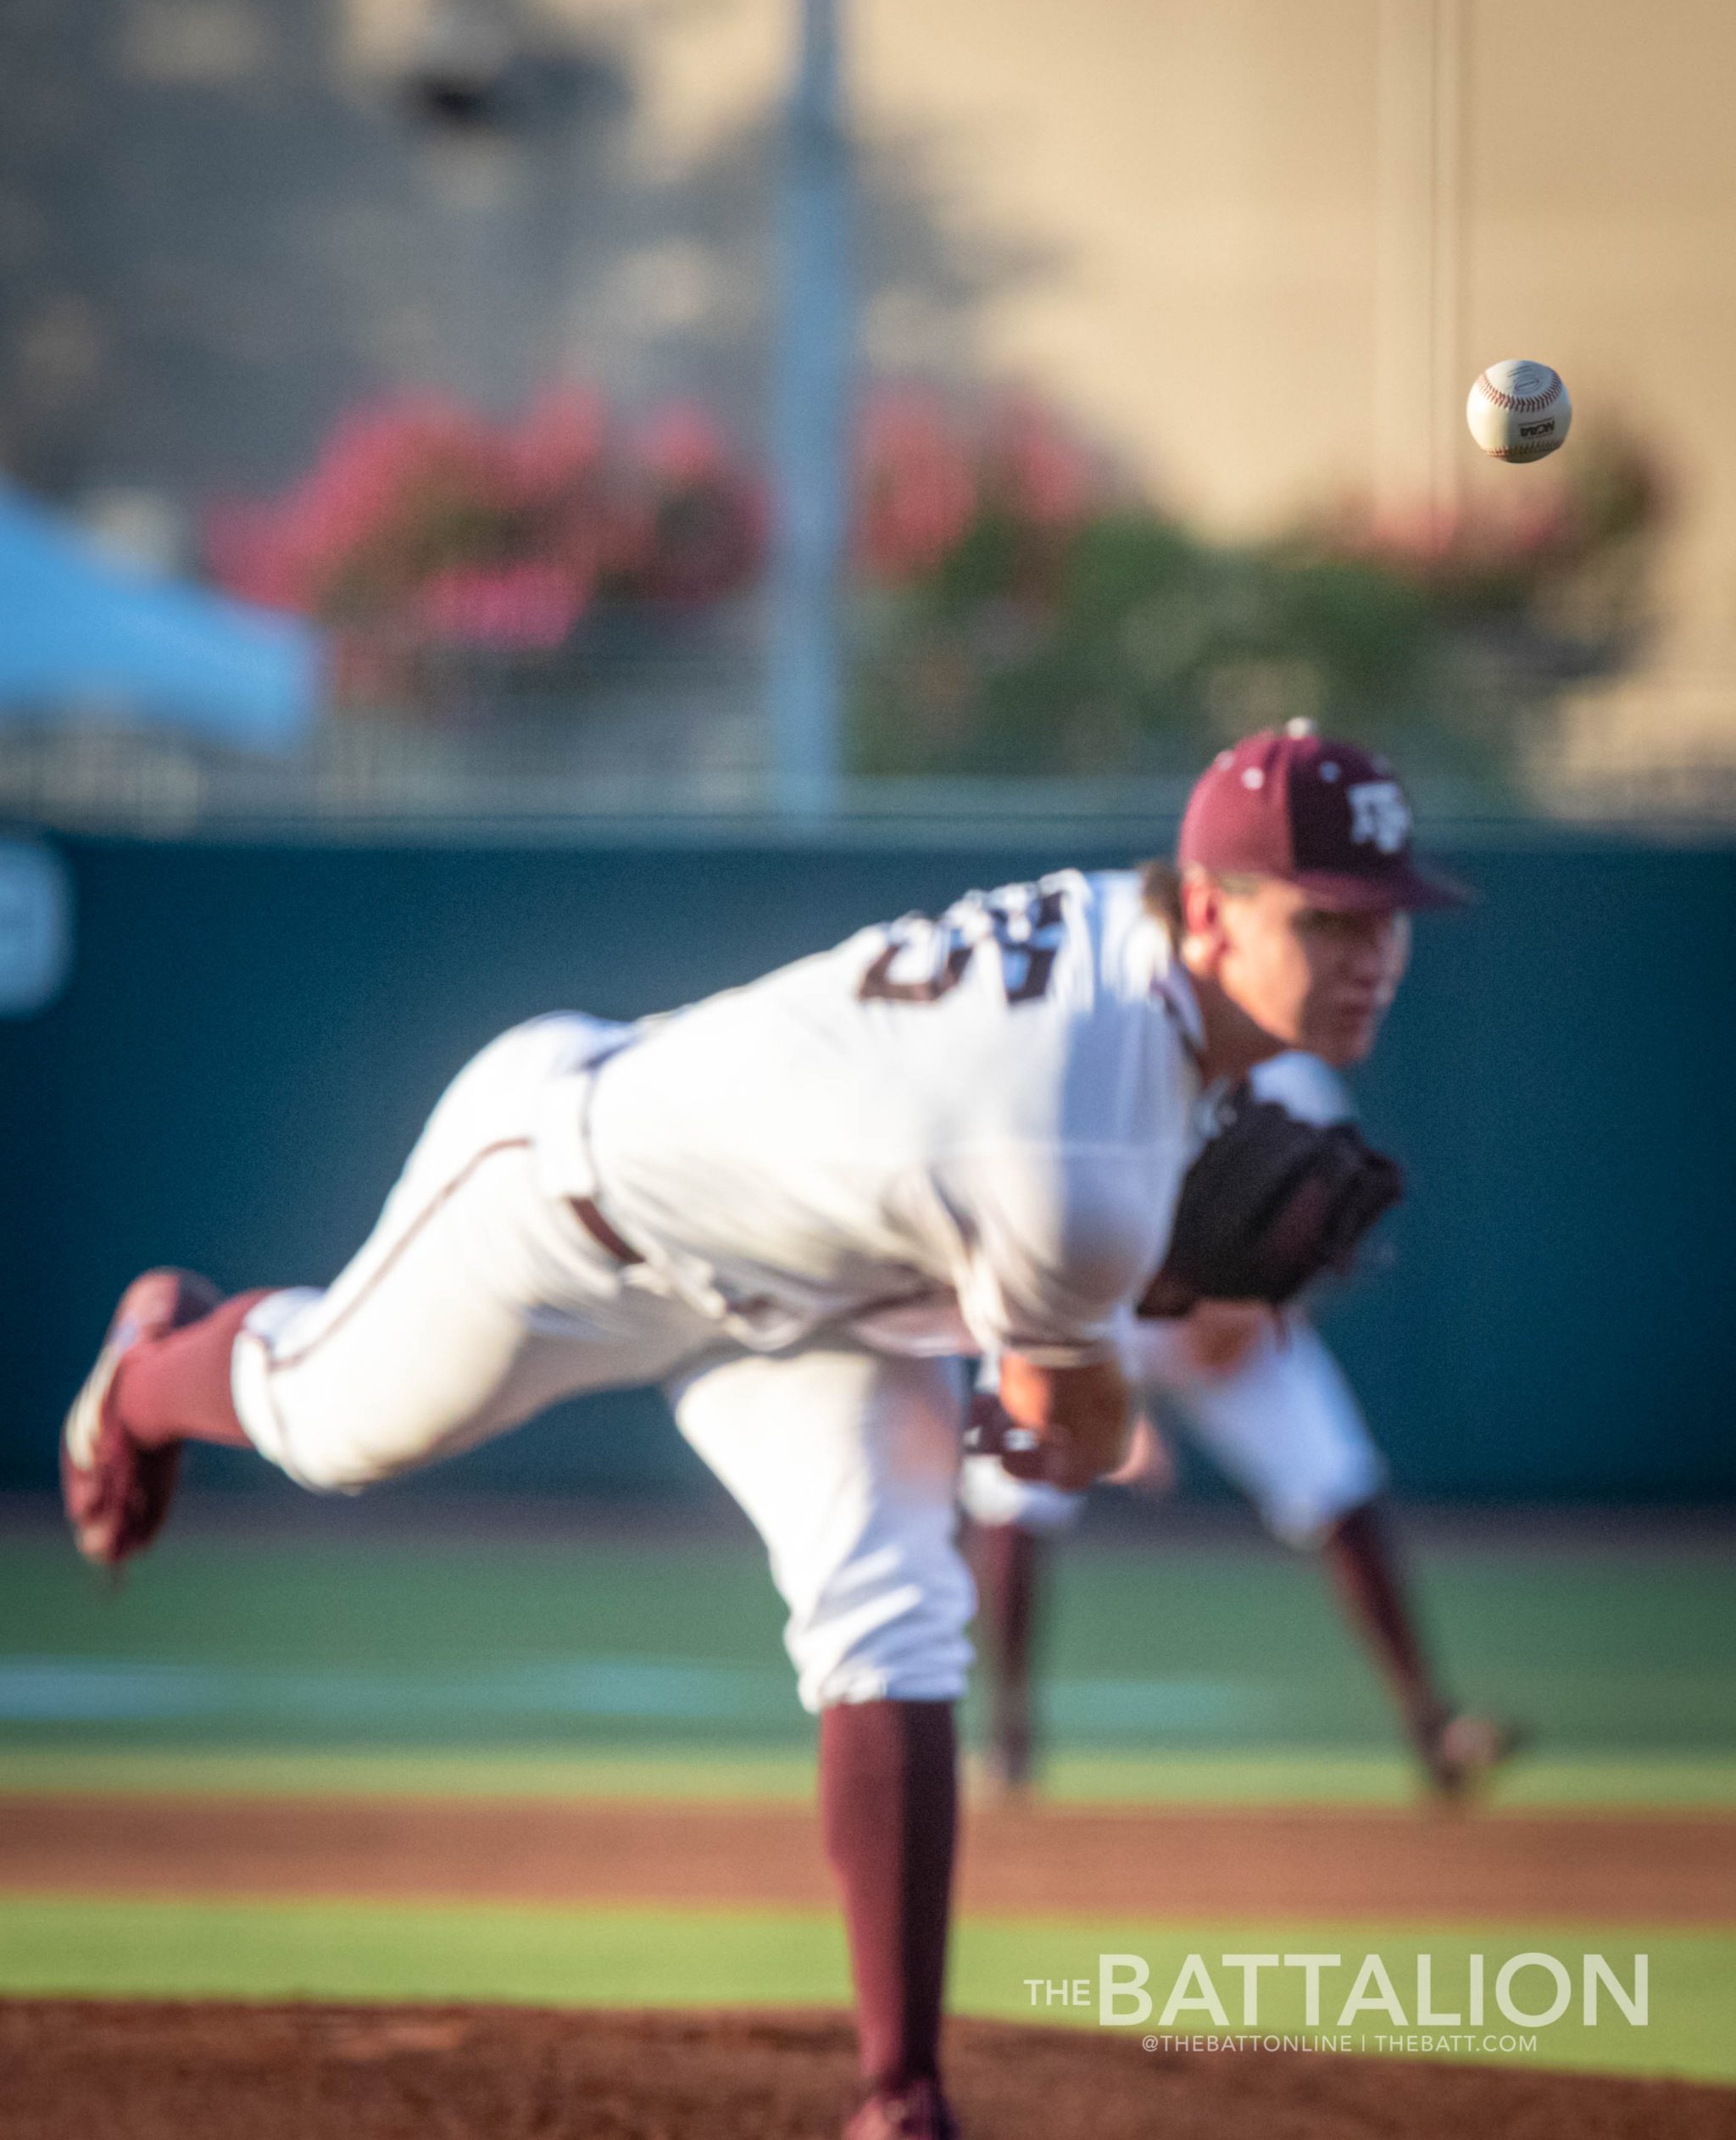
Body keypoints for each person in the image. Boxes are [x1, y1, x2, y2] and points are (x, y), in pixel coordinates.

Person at [60, 721, 1457, 2140]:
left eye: (1388, 919)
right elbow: (1069, 1431)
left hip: (808, 1295)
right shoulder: (1082, 1164)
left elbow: (1027, 1299)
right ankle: (144, 1373)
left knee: (895, 1604)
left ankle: (898, 2094)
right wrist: (1165, 1285)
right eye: (1330, 921)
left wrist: (1119, 1287)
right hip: (564, 1209)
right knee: (319, 1426)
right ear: (1212, 911)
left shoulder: (1137, 941)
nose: (1373, 957)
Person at [960, 1054, 1523, 1806]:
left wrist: (1262, 1307)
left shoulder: (1290, 1079)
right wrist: (1096, 1388)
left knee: (1337, 1482)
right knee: (1013, 1497)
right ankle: (1007, 1743)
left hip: (1232, 1324)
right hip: (1093, 1306)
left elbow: (1327, 1220)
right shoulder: (1100, 1047)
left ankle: (1433, 1731)